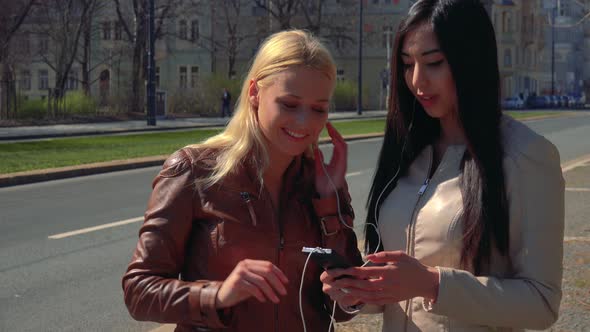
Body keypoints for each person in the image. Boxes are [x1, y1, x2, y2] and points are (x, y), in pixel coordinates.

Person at [320, 0, 565, 331]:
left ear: (470, 61)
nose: (417, 81)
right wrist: (357, 290)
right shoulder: (406, 153)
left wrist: (433, 284)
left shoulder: (527, 156)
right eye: (407, 65)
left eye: (433, 63)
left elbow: (542, 303)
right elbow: (396, 287)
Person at [122, 30, 363, 332]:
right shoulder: (194, 170)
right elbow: (138, 292)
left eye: (318, 109)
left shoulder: (323, 182)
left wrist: (329, 202)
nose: (305, 122)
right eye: (289, 104)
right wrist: (218, 294)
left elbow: (345, 308)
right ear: (254, 94)